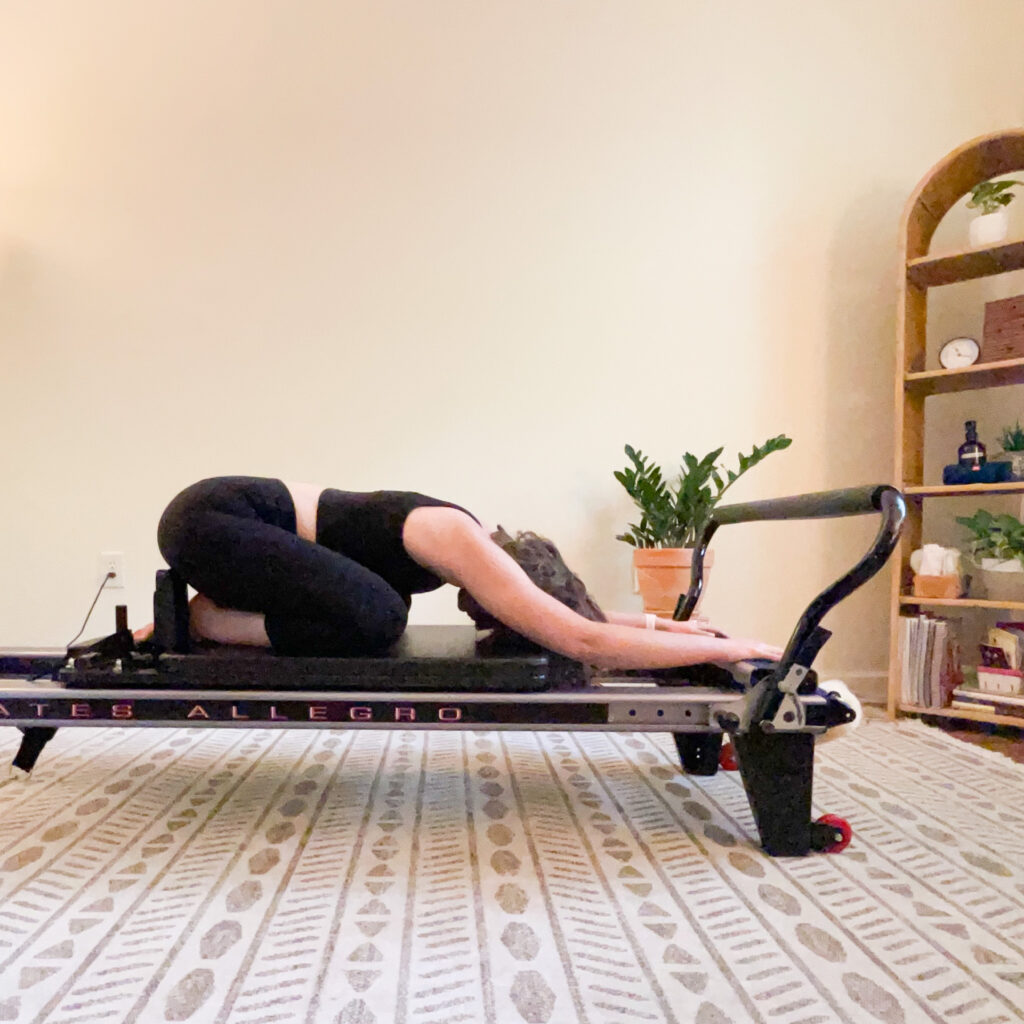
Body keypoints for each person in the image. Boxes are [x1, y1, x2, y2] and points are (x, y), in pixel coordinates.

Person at [150, 477, 783, 680]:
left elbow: (573, 620)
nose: (489, 619)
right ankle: (204, 617)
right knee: (380, 616)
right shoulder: (458, 540)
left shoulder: (476, 554)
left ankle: (212, 605)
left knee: (380, 602)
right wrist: (731, 649)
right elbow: (581, 640)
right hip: (213, 522)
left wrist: (666, 625)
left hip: (244, 540)